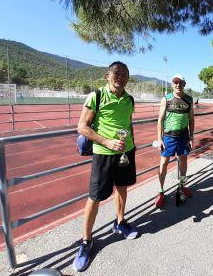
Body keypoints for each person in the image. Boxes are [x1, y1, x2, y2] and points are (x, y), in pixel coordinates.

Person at [73, 61, 138, 272]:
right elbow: (82, 127)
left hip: (126, 152)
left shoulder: (129, 99)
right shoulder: (97, 96)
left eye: (125, 74)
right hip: (104, 154)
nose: (120, 77)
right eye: (116, 73)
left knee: (122, 188)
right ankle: (86, 241)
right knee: (94, 197)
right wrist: (107, 142)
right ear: (107, 76)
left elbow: (128, 124)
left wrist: (131, 146)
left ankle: (120, 222)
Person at [155, 74, 195, 207]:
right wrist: (159, 139)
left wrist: (191, 136)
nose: (178, 84)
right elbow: (160, 119)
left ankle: (182, 186)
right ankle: (161, 191)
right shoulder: (166, 99)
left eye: (181, 82)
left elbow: (191, 119)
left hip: (183, 137)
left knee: (183, 160)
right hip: (168, 137)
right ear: (172, 84)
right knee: (164, 162)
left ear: (184, 84)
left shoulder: (189, 99)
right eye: (175, 82)